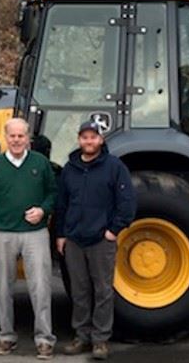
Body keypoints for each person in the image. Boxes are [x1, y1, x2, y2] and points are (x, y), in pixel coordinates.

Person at [0, 118, 57, 360]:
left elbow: (53, 193)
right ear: (5, 136)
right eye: (12, 136)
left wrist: (43, 210)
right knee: (3, 288)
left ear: (28, 138)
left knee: (41, 287)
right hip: (2, 233)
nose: (16, 140)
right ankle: (6, 337)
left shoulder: (41, 163)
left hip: (35, 234)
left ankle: (44, 340)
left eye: (21, 136)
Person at [55, 121, 136, 361]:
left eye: (93, 137)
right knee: (79, 291)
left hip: (101, 240)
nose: (89, 141)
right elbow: (62, 204)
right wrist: (61, 234)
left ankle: (100, 339)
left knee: (102, 290)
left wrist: (114, 230)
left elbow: (127, 202)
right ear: (79, 140)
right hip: (74, 240)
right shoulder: (70, 168)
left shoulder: (114, 167)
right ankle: (81, 336)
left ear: (101, 140)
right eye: (84, 137)